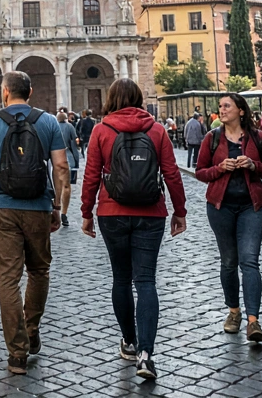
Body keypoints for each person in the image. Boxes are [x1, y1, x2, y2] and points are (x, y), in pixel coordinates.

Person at [81, 79, 187, 382]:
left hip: (111, 211)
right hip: (150, 213)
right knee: (145, 281)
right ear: (140, 99)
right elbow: (171, 173)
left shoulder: (101, 130)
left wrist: (86, 213)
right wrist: (179, 212)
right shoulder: (156, 130)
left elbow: (91, 176)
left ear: (111, 99)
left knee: (120, 279)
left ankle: (128, 341)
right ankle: (146, 353)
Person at [0, 72, 67, 375]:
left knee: (8, 278)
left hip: (4, 206)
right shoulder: (49, 121)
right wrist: (58, 206)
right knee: (39, 270)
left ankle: (17, 353)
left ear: (4, 92)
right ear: (30, 92)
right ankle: (32, 327)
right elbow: (61, 166)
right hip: (39, 205)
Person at [194, 92, 262, 344]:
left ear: (241, 110)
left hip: (252, 206)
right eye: (220, 106)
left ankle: (254, 321)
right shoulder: (212, 137)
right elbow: (200, 172)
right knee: (229, 261)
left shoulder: (258, 137)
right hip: (221, 207)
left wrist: (253, 165)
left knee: (250, 261)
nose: (222, 109)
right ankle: (234, 312)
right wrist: (220, 168)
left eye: (227, 105)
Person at [56, 111, 81, 227]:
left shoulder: (53, 126)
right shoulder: (70, 127)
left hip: (55, 158)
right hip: (68, 157)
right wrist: (77, 160)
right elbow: (74, 143)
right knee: (66, 186)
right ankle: (64, 213)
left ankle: (56, 209)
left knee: (57, 185)